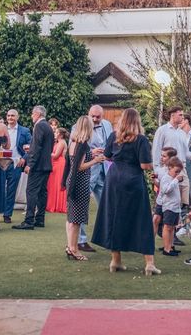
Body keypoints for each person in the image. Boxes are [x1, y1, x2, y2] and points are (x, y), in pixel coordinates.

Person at [92, 108, 160, 275]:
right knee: (142, 219)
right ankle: (149, 263)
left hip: (114, 179)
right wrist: (152, 165)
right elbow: (144, 166)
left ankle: (115, 261)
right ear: (137, 121)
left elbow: (107, 157)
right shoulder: (141, 140)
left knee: (114, 217)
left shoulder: (113, 136)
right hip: (133, 179)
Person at [63, 116, 106, 260]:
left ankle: (70, 247)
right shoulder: (83, 144)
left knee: (71, 218)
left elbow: (75, 160)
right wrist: (95, 160)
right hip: (79, 183)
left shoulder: (74, 143)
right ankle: (75, 249)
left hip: (72, 181)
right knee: (76, 220)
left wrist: (91, 154)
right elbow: (80, 166)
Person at [74, 105, 114, 253]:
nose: (96, 119)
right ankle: (80, 241)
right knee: (82, 206)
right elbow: (75, 148)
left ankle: (107, 237)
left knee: (107, 205)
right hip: (88, 170)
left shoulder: (108, 125)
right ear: (88, 114)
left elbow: (111, 142)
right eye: (93, 116)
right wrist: (92, 152)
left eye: (99, 117)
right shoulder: (78, 126)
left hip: (104, 170)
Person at [13, 105, 54, 230]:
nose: (31, 116)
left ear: (38, 114)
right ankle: (40, 219)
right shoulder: (48, 126)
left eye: (32, 113)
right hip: (46, 164)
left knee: (31, 192)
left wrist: (30, 164)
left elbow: (36, 147)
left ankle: (29, 220)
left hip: (38, 166)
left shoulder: (39, 126)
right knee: (42, 192)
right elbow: (45, 147)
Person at [152, 106, 190, 208]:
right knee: (164, 199)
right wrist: (156, 171)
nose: (182, 117)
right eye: (180, 115)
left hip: (181, 169)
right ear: (172, 115)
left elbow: (187, 153)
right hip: (166, 169)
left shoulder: (182, 133)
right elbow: (156, 151)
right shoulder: (162, 130)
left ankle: (179, 221)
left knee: (183, 200)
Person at [2, 109, 32, 224]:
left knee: (11, 190)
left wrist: (24, 158)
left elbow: (31, 146)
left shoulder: (24, 131)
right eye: (8, 115)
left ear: (17, 117)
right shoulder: (2, 129)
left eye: (13, 116)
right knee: (0, 189)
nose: (10, 118)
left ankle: (7, 214)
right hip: (2, 162)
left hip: (16, 164)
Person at [160, 157, 185, 256]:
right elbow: (166, 190)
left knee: (172, 228)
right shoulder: (166, 178)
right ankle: (166, 249)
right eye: (176, 171)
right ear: (169, 168)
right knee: (167, 227)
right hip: (169, 207)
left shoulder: (173, 178)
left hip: (175, 207)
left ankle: (170, 246)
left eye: (179, 172)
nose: (178, 174)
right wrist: (175, 180)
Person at [152, 146, 178, 239]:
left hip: (170, 202)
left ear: (171, 158)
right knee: (155, 219)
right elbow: (159, 186)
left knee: (169, 225)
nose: (161, 158)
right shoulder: (159, 170)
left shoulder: (176, 171)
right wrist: (154, 180)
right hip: (160, 199)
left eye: (164, 156)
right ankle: (151, 243)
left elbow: (171, 188)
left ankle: (169, 246)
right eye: (161, 155)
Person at [47, 127, 69, 213]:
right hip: (55, 164)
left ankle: (58, 205)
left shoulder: (62, 143)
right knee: (53, 184)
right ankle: (53, 204)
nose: (55, 134)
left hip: (59, 164)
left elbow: (56, 155)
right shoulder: (58, 142)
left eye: (56, 133)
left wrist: (46, 152)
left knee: (58, 184)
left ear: (60, 135)